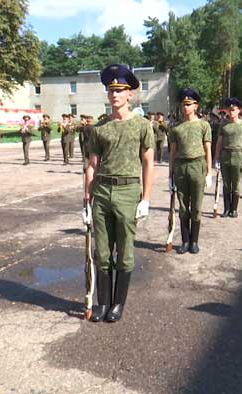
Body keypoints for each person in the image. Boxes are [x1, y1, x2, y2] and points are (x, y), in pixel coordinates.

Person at [84, 64, 154, 322]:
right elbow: (92, 166)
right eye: (111, 90)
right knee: (102, 253)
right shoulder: (100, 128)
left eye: (120, 90)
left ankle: (118, 304)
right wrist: (86, 201)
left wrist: (146, 199)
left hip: (127, 191)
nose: (114, 94)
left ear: (130, 94)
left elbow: (148, 163)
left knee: (124, 253)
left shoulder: (142, 126)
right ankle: (103, 303)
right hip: (102, 192)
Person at [168, 88, 212, 254]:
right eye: (183, 104)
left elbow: (208, 149)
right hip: (180, 167)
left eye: (188, 104)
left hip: (197, 165)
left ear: (196, 106)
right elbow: (172, 152)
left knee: (197, 206)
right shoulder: (176, 128)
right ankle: (185, 241)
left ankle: (194, 241)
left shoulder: (203, 125)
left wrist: (209, 172)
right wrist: (170, 174)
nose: (185, 107)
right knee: (183, 206)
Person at [214, 98, 242, 217]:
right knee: (225, 184)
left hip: (237, 155)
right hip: (225, 155)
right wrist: (217, 158)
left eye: (233, 110)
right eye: (230, 110)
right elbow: (219, 142)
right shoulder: (223, 125)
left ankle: (234, 209)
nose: (231, 112)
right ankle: (226, 208)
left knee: (235, 184)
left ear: (239, 110)